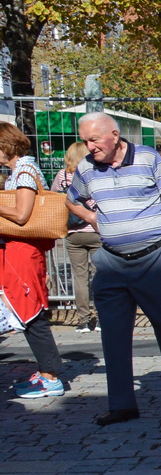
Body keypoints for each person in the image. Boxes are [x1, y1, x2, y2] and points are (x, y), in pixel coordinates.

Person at [66, 111, 161, 425]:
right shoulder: (87, 168)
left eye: (95, 139)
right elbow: (72, 200)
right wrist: (92, 219)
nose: (90, 147)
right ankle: (122, 404)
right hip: (112, 262)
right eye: (86, 141)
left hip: (155, 259)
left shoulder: (148, 157)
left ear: (113, 135)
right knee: (113, 335)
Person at [0, 123, 66, 398]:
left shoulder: (25, 171)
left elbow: (22, 215)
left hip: (22, 253)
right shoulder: (21, 169)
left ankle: (50, 376)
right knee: (27, 312)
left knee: (30, 313)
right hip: (20, 252)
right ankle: (47, 372)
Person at [53, 144, 99, 332]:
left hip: (72, 231)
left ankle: (83, 320)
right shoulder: (94, 173)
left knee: (79, 276)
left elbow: (55, 197)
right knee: (99, 274)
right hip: (96, 229)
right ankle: (102, 316)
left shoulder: (63, 176)